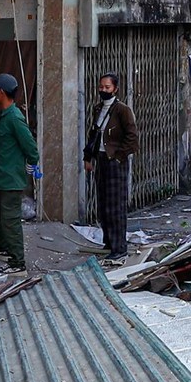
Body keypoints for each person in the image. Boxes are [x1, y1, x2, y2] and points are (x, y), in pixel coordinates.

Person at [81, 72, 139, 263]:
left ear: (115, 89)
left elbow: (132, 138)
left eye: (107, 87)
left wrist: (118, 157)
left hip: (115, 162)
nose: (103, 90)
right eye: (101, 87)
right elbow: (93, 134)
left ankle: (119, 247)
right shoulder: (99, 108)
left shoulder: (122, 110)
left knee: (116, 206)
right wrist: (88, 157)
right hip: (101, 159)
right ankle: (109, 242)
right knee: (104, 203)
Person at [0, 73, 37, 272]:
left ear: (1, 92)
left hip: (10, 180)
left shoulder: (14, 118)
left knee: (10, 221)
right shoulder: (4, 115)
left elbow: (31, 147)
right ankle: (2, 245)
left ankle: (17, 262)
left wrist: (32, 164)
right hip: (0, 178)